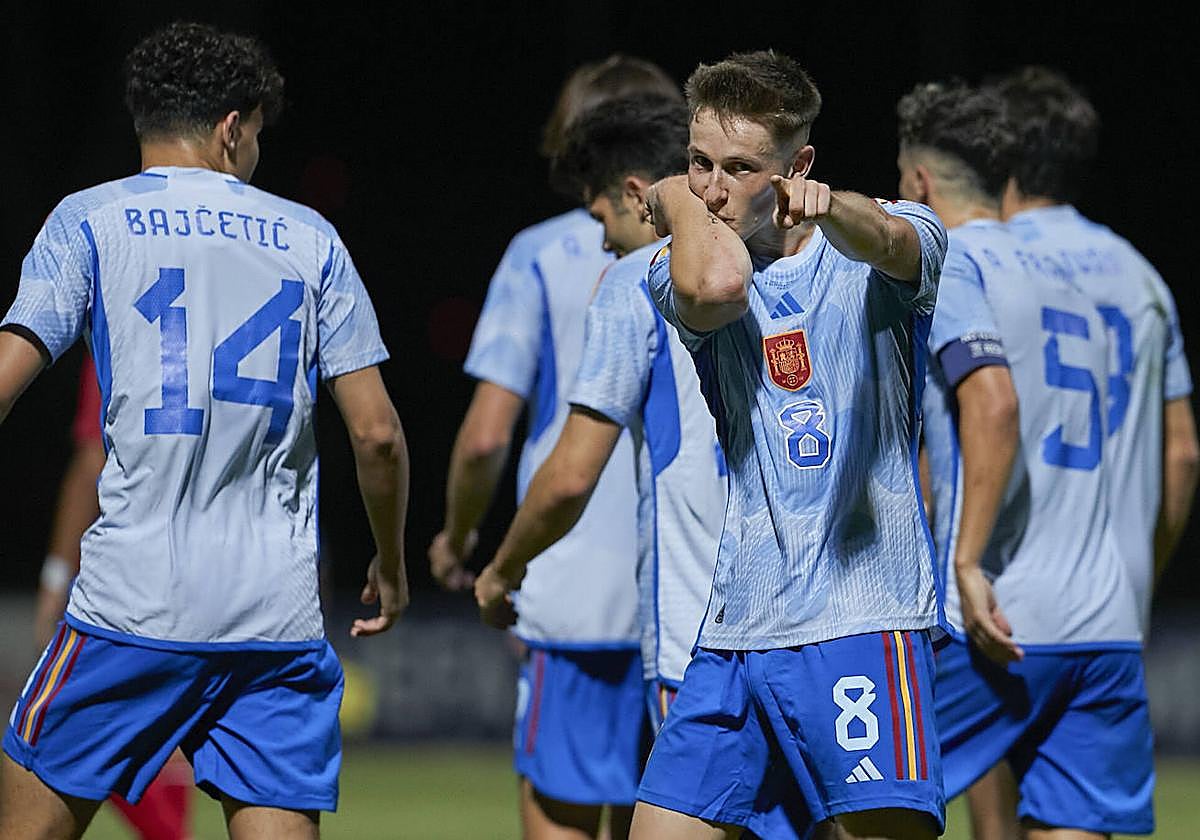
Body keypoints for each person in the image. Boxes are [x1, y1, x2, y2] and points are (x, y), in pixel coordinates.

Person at [0, 22, 409, 840]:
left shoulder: (88, 221)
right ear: (232, 127)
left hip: (133, 606)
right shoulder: (311, 238)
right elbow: (378, 436)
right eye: (256, 134)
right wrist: (389, 565)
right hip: (275, 619)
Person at [632, 50, 948, 840]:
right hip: (738, 623)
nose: (711, 186)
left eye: (740, 168)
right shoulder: (682, 261)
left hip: (862, 614)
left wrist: (827, 207)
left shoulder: (893, 236)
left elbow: (890, 240)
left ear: (797, 166)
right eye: (698, 162)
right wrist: (680, 202)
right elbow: (718, 289)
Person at [925, 65, 1198, 840]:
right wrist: (1140, 564)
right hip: (1107, 605)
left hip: (1002, 592)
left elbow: (974, 414)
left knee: (880, 800)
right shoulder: (1143, 278)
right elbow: (1180, 455)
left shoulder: (984, 260)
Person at [429, 56, 678, 840]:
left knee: (563, 821)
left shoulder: (541, 253)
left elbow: (485, 436)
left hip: (572, 592)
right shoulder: (725, 251)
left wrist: (463, 539)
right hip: (689, 599)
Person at [34, 356, 195, 840]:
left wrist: (55, 578)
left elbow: (92, 461)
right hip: (236, 578)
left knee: (52, 750)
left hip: (131, 580)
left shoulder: (126, 305)